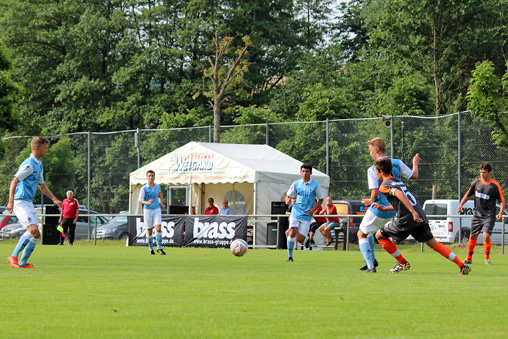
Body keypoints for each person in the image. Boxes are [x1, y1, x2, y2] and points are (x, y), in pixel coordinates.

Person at [373, 157, 471, 275]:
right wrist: (384, 208)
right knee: (433, 243)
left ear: (381, 172)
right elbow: (402, 201)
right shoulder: (397, 181)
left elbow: (399, 194)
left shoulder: (384, 185)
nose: (375, 173)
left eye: (376, 170)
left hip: (408, 217)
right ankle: (461, 265)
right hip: (419, 214)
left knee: (380, 235)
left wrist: (412, 213)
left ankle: (403, 263)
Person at [358, 137, 420, 272]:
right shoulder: (397, 163)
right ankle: (372, 260)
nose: (370, 154)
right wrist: (415, 163)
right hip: (394, 208)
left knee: (361, 234)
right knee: (370, 233)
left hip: (380, 207)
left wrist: (370, 200)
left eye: (370, 151)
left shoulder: (373, 168)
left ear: (376, 150)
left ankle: (370, 266)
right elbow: (414, 176)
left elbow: (375, 194)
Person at [7, 136, 62, 269]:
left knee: (37, 233)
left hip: (28, 202)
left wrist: (54, 199)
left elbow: (41, 185)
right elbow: (14, 181)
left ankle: (22, 263)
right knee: (32, 230)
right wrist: (11, 202)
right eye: (44, 148)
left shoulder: (38, 165)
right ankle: (13, 256)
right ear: (37, 148)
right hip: (20, 201)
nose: (46, 150)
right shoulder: (29, 165)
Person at [457, 162, 505, 265]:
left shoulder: (495, 185)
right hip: (477, 214)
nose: (482, 174)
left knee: (486, 236)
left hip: (489, 215)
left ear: (489, 172)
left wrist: (500, 213)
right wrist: (460, 204)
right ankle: (469, 258)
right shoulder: (476, 183)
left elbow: (502, 201)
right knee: (472, 236)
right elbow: (468, 195)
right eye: (480, 172)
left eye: (484, 172)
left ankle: (487, 258)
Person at [285, 163, 323, 262]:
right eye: (303, 171)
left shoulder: (315, 185)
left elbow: (321, 200)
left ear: (311, 173)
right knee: (291, 232)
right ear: (300, 172)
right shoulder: (296, 184)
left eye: (307, 171)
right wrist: (287, 200)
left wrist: (313, 210)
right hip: (296, 212)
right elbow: (288, 195)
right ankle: (290, 257)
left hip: (306, 215)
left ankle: (306, 240)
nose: (304, 173)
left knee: (301, 239)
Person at [138, 170, 167, 255]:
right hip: (147, 210)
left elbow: (159, 196)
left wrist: (161, 203)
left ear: (154, 177)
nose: (151, 177)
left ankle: (159, 248)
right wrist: (147, 202)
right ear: (147, 177)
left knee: (158, 228)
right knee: (149, 229)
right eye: (149, 176)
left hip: (157, 209)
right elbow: (140, 200)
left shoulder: (158, 187)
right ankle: (151, 248)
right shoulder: (144, 188)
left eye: (152, 176)